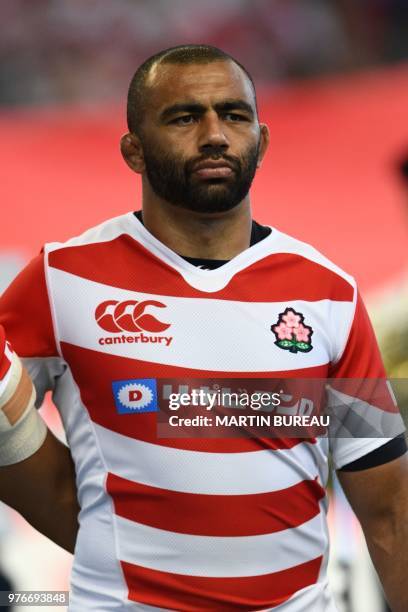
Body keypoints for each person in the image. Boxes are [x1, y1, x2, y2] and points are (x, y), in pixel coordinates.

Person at [0, 44, 407, 612]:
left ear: (261, 141)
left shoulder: (330, 292)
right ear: (133, 151)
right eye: (185, 116)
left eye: (234, 115)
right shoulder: (59, 278)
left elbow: (388, 509)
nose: (214, 134)